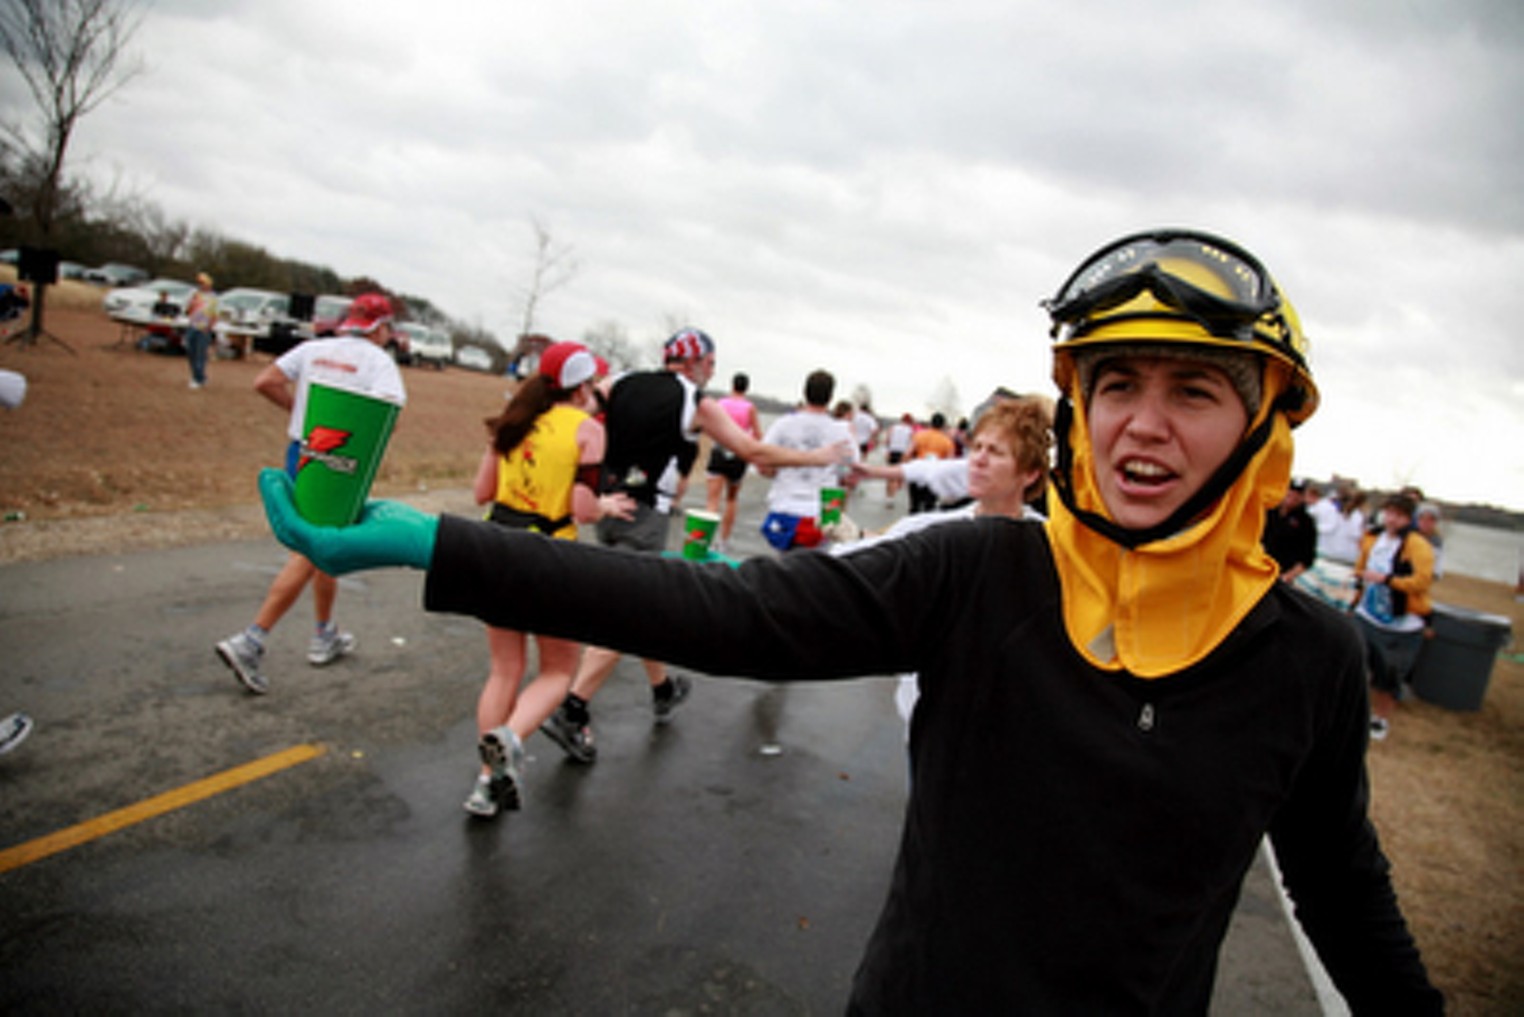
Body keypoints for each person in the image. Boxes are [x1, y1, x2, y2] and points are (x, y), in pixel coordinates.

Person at [258, 229, 1441, 1014]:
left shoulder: (1313, 661)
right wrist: (438, 543)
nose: (1143, 423)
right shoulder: (977, 574)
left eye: (1194, 391)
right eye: (1117, 384)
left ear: (1263, 430)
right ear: (1076, 408)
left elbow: (1342, 893)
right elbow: (721, 616)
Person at [539, 328, 851, 764]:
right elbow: (752, 451)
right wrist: (816, 460)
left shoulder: (619, 381)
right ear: (694, 362)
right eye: (710, 362)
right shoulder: (696, 402)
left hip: (608, 506)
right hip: (645, 517)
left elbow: (577, 410)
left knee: (642, 603)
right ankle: (573, 708)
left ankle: (663, 689)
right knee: (625, 615)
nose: (713, 371)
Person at [465, 342, 636, 818]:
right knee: (559, 672)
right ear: (584, 387)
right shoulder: (587, 430)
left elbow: (482, 492)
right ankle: (509, 741)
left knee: (503, 670)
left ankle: (484, 782)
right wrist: (604, 505)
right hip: (547, 555)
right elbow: (580, 509)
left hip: (493, 546)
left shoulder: (513, 421)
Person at [215, 293, 407, 695]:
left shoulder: (313, 347)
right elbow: (389, 416)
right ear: (378, 327)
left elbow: (264, 381)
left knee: (322, 549)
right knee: (310, 548)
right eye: (387, 326)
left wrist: (299, 412)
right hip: (341, 462)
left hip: (301, 449)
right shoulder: (378, 362)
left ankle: (324, 633)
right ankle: (251, 639)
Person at [833, 397, 1052, 734]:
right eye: (976, 447)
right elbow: (857, 561)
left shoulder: (1051, 548)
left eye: (994, 452)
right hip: (927, 719)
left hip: (1004, 727)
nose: (977, 459)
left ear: (1030, 472)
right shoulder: (934, 531)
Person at [1351, 494, 1435, 742]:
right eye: (1389, 513)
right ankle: (1350, 713)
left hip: (1401, 623)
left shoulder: (1417, 545)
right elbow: (1361, 569)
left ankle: (1380, 719)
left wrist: (1388, 580)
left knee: (1388, 675)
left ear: (1409, 519)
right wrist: (1355, 591)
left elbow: (1422, 581)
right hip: (1367, 614)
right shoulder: (1372, 538)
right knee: (1354, 663)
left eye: (1398, 515)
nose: (1391, 520)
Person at [757, 369, 859, 551]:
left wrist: (778, 470)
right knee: (815, 572)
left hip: (785, 508)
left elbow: (763, 464)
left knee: (783, 571)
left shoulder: (783, 425)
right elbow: (849, 475)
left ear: (804, 392)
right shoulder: (841, 431)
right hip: (824, 514)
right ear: (830, 397)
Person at [703, 371, 761, 554]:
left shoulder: (721, 403)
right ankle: (723, 541)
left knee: (712, 500)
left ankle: (704, 539)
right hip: (739, 454)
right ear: (746, 388)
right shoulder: (750, 408)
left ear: (732, 385)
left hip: (719, 451)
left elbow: (709, 426)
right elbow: (758, 434)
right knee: (731, 499)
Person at [1262, 477, 1317, 583]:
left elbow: (1307, 558)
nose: (1292, 498)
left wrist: (1288, 576)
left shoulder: (1306, 522)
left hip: (1282, 574)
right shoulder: (1268, 511)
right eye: (1290, 493)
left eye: (1297, 495)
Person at [904, 411, 955, 513]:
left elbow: (908, 454)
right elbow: (950, 462)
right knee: (929, 507)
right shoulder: (947, 442)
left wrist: (906, 470)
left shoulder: (919, 436)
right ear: (943, 425)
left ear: (931, 423)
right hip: (934, 476)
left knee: (914, 505)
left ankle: (911, 525)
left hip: (918, 473)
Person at [182, 272, 218, 390]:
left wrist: (209, 327)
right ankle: (199, 376)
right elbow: (187, 310)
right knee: (191, 351)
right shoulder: (195, 295)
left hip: (204, 328)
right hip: (192, 326)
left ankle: (197, 378)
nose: (201, 285)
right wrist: (190, 303)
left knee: (200, 354)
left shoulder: (213, 298)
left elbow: (215, 314)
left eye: (203, 283)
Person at [882, 413, 915, 505]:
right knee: (896, 476)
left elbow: (886, 441)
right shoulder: (910, 430)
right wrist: (907, 456)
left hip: (892, 451)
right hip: (902, 453)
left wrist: (886, 452)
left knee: (889, 476)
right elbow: (911, 444)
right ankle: (891, 498)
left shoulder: (893, 428)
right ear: (910, 422)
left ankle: (888, 496)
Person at [1415, 501, 1445, 578]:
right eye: (1422, 518)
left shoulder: (1436, 541)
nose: (1426, 522)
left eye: (1431, 519)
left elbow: (1438, 563)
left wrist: (1435, 573)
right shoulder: (1409, 536)